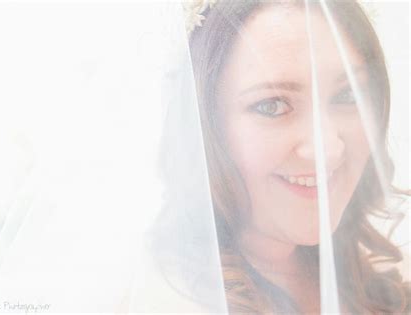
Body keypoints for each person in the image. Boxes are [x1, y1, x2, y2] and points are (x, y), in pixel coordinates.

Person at [175, 0, 410, 313]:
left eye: (347, 95)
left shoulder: (371, 272)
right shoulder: (169, 301)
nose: (327, 148)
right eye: (272, 105)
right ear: (202, 124)